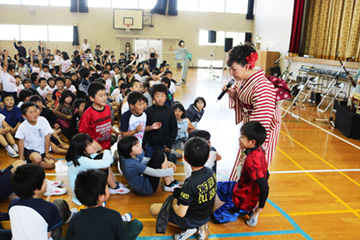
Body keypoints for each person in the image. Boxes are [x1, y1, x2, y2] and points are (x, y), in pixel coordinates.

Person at [224, 43, 280, 181]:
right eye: (230, 69)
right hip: (250, 122)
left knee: (255, 160)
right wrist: (233, 95)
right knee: (243, 157)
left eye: (234, 69)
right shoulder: (243, 80)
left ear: (247, 65)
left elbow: (261, 124)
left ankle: (248, 196)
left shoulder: (263, 87)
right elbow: (240, 97)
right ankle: (237, 188)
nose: (232, 74)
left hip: (263, 128)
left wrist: (249, 138)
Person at [150, 137, 216, 240]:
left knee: (153, 209)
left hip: (192, 219)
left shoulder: (190, 183)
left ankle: (191, 228)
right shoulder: (211, 172)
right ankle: (202, 225)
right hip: (205, 215)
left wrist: (173, 203)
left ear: (185, 158)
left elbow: (181, 213)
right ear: (207, 157)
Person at [211, 121, 269, 227]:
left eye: (242, 137)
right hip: (241, 187)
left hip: (243, 200)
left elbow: (264, 185)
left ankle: (246, 210)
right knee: (213, 186)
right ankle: (246, 207)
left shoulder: (252, 161)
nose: (239, 139)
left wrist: (259, 208)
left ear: (252, 142)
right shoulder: (259, 150)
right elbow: (266, 174)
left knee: (215, 218)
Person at [66, 169, 143, 240]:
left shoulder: (75, 218)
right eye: (106, 186)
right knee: (136, 224)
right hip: (112, 222)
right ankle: (122, 221)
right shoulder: (114, 216)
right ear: (100, 197)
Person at [9, 163, 75, 240]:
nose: (46, 182)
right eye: (44, 180)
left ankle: (68, 215)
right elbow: (48, 234)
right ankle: (69, 216)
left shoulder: (13, 204)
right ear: (35, 189)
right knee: (59, 203)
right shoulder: (49, 207)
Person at [66, 133, 130, 206]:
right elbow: (106, 163)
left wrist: (105, 157)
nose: (93, 145)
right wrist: (106, 150)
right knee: (103, 163)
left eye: (91, 142)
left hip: (81, 191)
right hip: (82, 197)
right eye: (89, 144)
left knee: (102, 160)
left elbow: (109, 161)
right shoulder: (82, 161)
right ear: (82, 150)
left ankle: (113, 186)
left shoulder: (81, 156)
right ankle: (113, 187)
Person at [15, 102, 56, 169]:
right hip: (30, 150)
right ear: (24, 116)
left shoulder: (43, 120)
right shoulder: (22, 126)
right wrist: (21, 159)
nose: (34, 114)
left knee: (51, 164)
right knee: (37, 158)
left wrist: (46, 153)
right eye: (31, 113)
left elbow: (47, 137)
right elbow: (21, 142)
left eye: (35, 111)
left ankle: (30, 164)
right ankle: (31, 163)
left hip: (42, 151)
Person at [144, 84, 178, 163]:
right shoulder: (148, 111)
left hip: (164, 146)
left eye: (163, 96)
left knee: (164, 165)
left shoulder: (170, 112)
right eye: (157, 96)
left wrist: (169, 145)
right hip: (150, 145)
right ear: (152, 97)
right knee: (149, 165)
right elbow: (144, 128)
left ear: (166, 97)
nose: (160, 98)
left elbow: (174, 129)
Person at [79, 82, 112, 149]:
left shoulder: (107, 108)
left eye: (105, 95)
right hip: (95, 149)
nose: (104, 98)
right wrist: (94, 144)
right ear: (92, 98)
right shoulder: (87, 114)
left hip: (107, 146)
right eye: (101, 96)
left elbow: (108, 125)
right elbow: (82, 134)